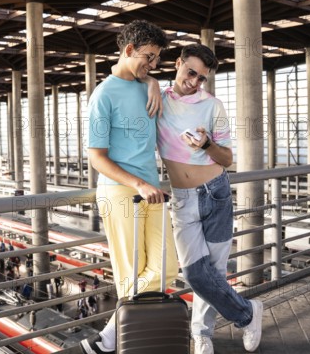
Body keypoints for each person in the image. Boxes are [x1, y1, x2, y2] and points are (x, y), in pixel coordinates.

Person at [152, 44, 263, 353]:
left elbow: (227, 158)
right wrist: (149, 82)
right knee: (195, 273)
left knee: (213, 272)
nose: (194, 82)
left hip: (216, 194)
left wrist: (206, 144)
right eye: (190, 73)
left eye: (201, 78)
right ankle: (248, 313)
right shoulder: (156, 99)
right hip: (183, 199)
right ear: (177, 64)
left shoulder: (214, 106)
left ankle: (202, 333)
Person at [79, 19, 179, 354]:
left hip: (151, 189)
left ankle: (108, 338)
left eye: (156, 60)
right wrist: (137, 182)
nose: (152, 64)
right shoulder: (102, 96)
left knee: (168, 267)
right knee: (130, 274)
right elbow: (96, 157)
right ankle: (129, 344)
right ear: (129, 50)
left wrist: (151, 78)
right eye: (148, 57)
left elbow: (149, 78)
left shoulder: (145, 82)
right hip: (121, 191)